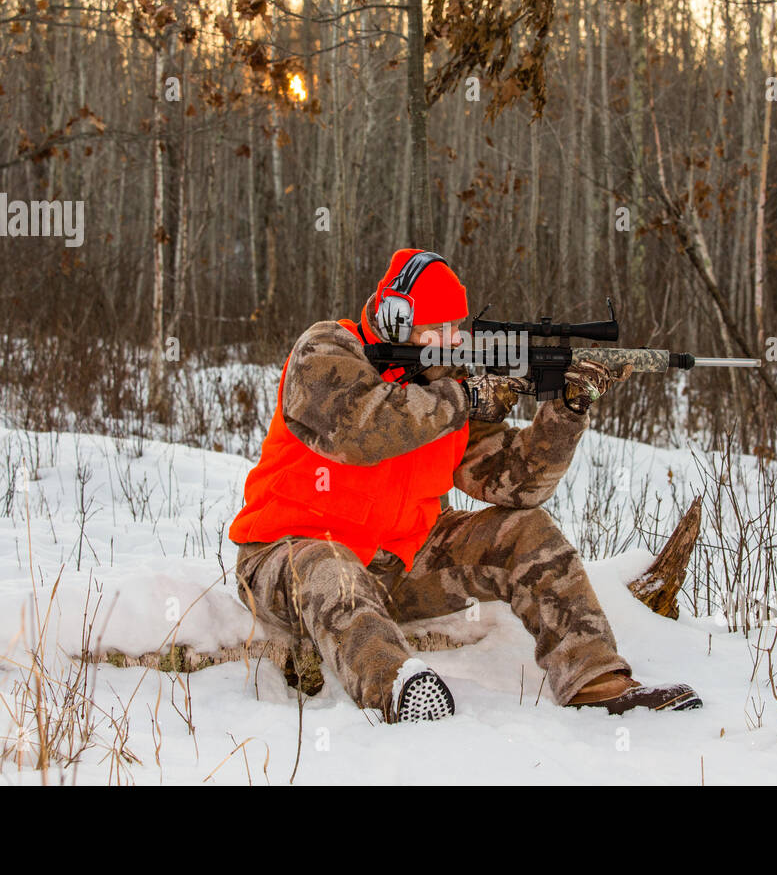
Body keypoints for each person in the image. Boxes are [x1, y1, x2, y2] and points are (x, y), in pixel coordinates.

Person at [228, 248, 702, 722]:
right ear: (396, 319)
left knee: (524, 528)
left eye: (456, 327)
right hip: (286, 560)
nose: (451, 340)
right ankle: (398, 690)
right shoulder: (327, 349)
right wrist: (464, 396)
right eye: (436, 329)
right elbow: (358, 431)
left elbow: (516, 483)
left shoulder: (442, 381)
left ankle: (596, 680)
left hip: (400, 564)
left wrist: (566, 409)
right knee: (331, 565)